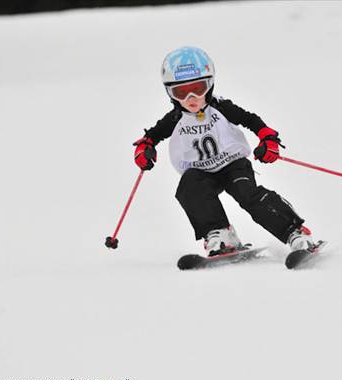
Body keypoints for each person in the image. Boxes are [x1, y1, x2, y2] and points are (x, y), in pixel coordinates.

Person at [133, 46, 318, 256]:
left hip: (233, 164)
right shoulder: (175, 118)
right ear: (170, 93)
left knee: (246, 194)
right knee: (189, 188)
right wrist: (144, 149)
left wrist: (268, 139)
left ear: (210, 85)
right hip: (201, 171)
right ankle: (221, 233)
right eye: (181, 92)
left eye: (199, 88)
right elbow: (151, 137)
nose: (192, 98)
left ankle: (295, 232)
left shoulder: (220, 107)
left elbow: (251, 120)